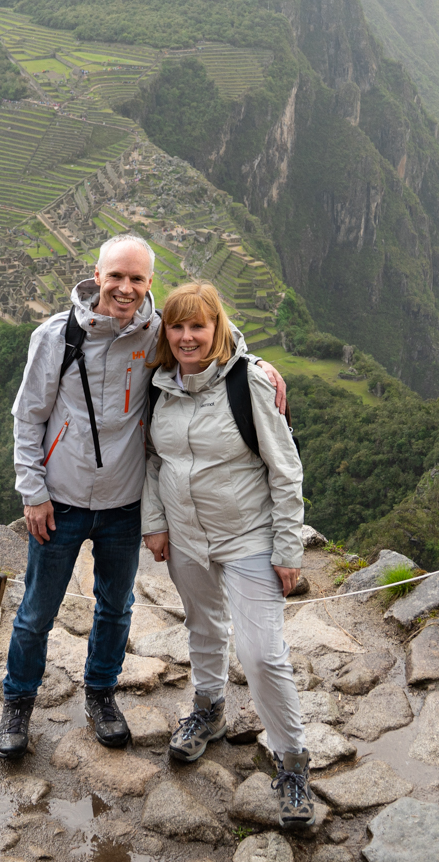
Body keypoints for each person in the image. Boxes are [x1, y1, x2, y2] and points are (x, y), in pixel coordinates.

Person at [0, 236, 287, 760]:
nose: (125, 288)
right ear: (97, 276)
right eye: (116, 276)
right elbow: (28, 416)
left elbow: (210, 337)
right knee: (37, 610)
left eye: (136, 279)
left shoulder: (156, 333)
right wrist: (32, 491)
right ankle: (18, 703)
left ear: (150, 282)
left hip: (124, 500)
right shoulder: (57, 335)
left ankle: (101, 695)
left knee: (115, 607)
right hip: (61, 498)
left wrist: (257, 362)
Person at [141, 281, 314, 829]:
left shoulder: (250, 382)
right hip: (186, 536)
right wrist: (155, 523)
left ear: (217, 328)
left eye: (198, 325)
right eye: (177, 326)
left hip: (247, 537)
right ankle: (209, 710)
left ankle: (292, 760)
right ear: (166, 332)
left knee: (262, 654)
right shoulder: (159, 385)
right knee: (203, 626)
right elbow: (154, 461)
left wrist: (288, 547)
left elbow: (285, 469)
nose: (187, 336)